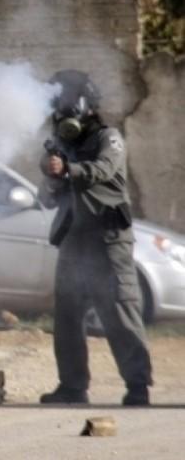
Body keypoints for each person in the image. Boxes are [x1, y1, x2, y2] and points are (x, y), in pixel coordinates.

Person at [38, 69, 152, 406]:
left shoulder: (108, 137)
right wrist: (52, 177)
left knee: (119, 312)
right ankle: (72, 387)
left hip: (108, 238)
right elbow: (48, 198)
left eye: (67, 101)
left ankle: (138, 386)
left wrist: (68, 169)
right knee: (68, 316)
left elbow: (102, 170)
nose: (62, 109)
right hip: (74, 239)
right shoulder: (62, 145)